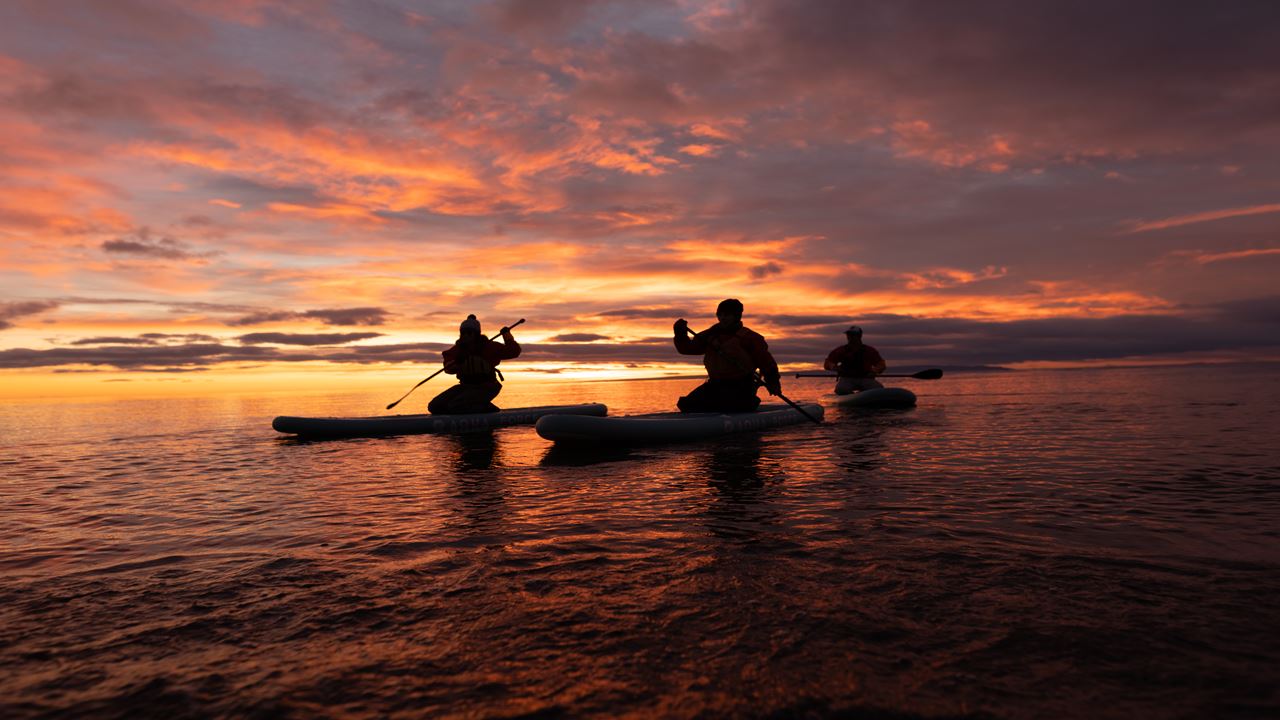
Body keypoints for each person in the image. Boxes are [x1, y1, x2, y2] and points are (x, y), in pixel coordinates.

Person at [673, 298, 782, 413]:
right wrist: (680, 334)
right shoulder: (710, 335)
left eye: (727, 315)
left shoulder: (750, 338)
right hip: (715, 384)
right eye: (720, 314)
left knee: (730, 406)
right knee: (686, 405)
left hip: (741, 385)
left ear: (736, 316)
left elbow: (766, 362)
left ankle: (748, 404)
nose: (723, 318)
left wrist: (773, 382)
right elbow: (687, 349)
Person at [427, 314, 520, 414]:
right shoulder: (457, 350)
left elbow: (513, 352)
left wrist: (507, 336)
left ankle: (487, 408)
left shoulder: (489, 347)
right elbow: (448, 368)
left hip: (487, 387)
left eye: (470, 333)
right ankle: (471, 409)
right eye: (463, 333)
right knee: (434, 406)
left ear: (477, 334)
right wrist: (456, 363)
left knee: (456, 405)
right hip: (465, 386)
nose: (466, 335)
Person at [823, 325, 886, 395]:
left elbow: (881, 364)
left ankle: (864, 395)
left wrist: (875, 370)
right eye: (848, 335)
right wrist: (833, 367)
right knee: (841, 389)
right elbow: (828, 362)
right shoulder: (841, 350)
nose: (850, 337)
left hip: (866, 378)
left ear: (859, 336)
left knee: (879, 389)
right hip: (847, 379)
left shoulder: (869, 350)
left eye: (853, 335)